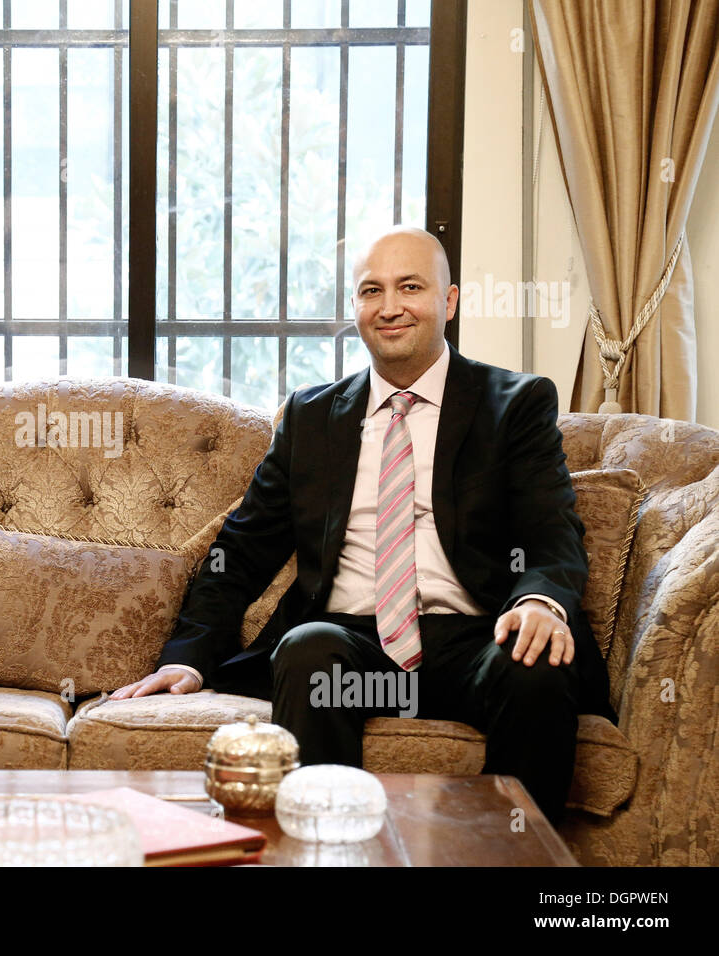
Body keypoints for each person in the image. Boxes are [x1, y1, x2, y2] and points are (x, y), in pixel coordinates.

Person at [112, 226, 614, 825]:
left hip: (476, 643)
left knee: (536, 661)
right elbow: (241, 549)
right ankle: (326, 853)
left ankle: (508, 855)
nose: (390, 306)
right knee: (306, 647)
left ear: (449, 302)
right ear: (356, 309)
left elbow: (551, 528)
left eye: (411, 287)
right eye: (372, 291)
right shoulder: (312, 417)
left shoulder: (515, 404)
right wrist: (189, 656)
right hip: (354, 648)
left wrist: (540, 600)